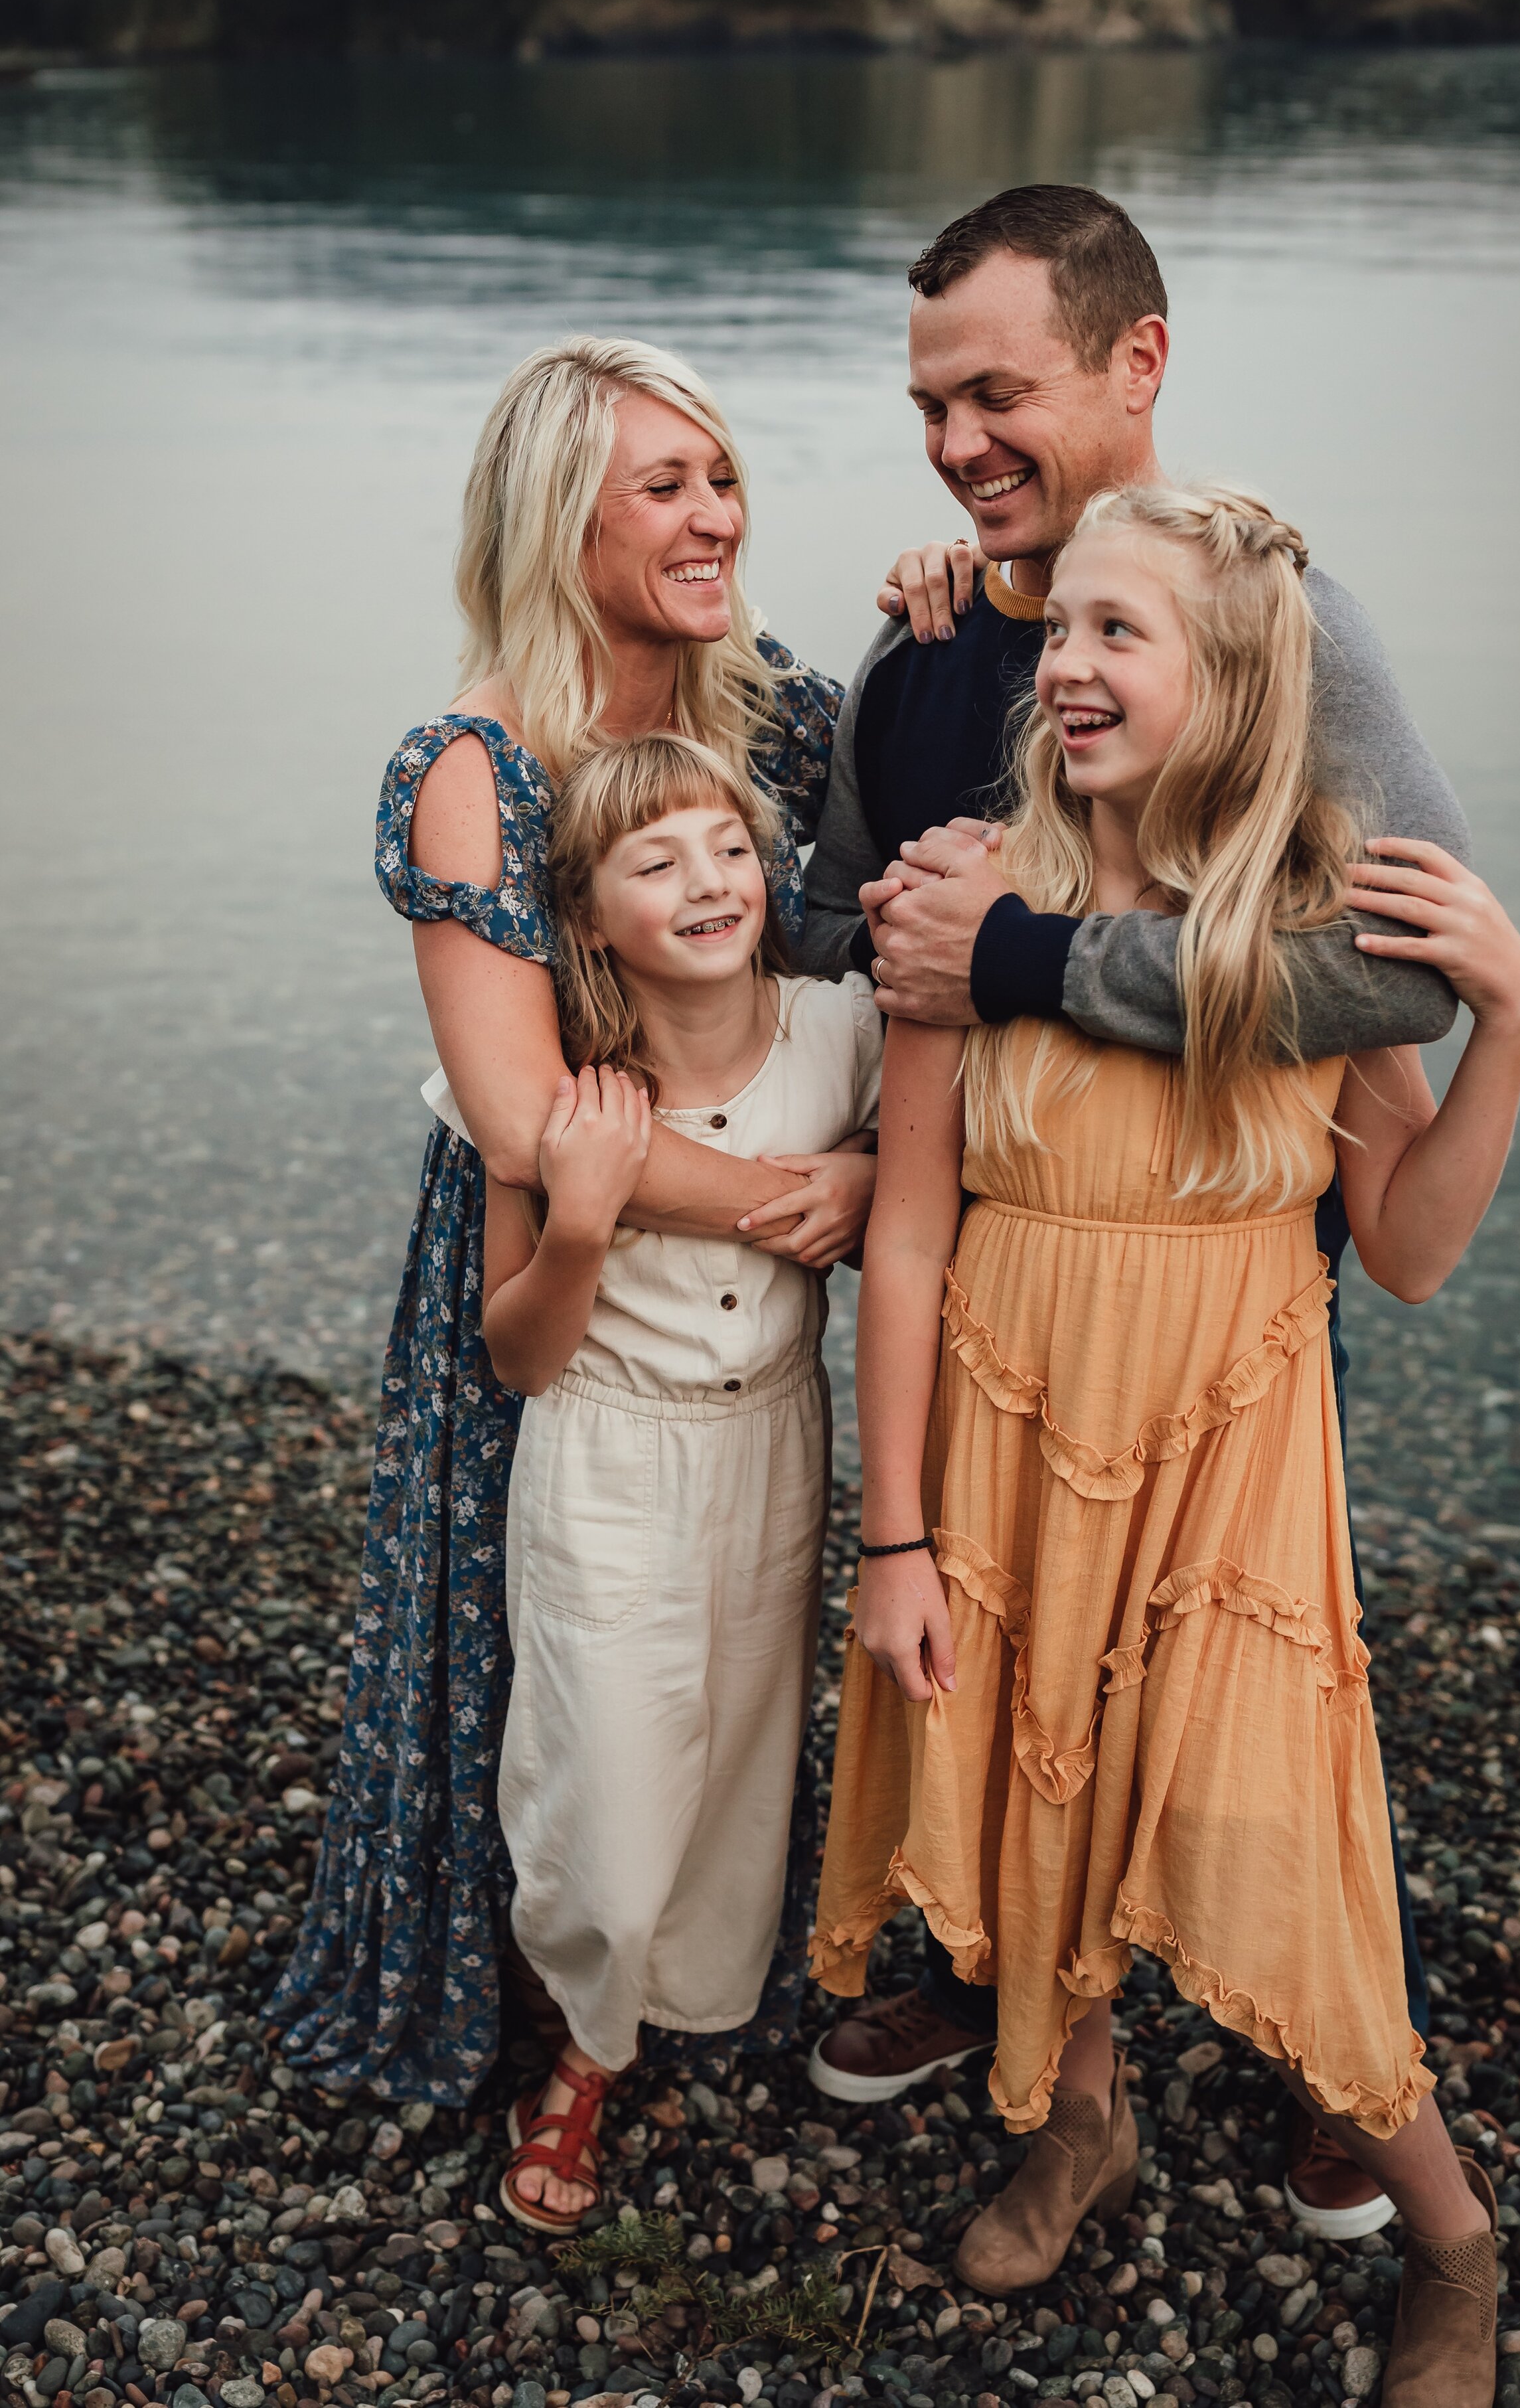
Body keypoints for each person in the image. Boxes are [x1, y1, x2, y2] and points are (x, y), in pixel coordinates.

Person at [813, 485, 1520, 2402]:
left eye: (1120, 634)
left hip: (1230, 1475)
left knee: (1259, 1833)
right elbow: (901, 1235)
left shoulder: (1301, 945)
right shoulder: (963, 894)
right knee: (1032, 1799)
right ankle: (1078, 2119)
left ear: (1232, 687)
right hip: (1005, 1444)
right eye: (1062, 634)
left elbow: (1404, 1248)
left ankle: (1454, 2246)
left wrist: (1514, 1027)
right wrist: (892, 1540)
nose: (1063, 662)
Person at [800, 181, 1455, 2240]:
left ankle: (1325, 2053)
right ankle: (1029, 2023)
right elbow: (856, 926)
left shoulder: (1277, 614)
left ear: (1133, 363)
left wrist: (1020, 967)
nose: (959, 439)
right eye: (931, 402)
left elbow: (1393, 971)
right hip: (1006, 1294)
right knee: (1025, 1699)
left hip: (1225, 1303)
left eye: (999, 390)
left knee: (1243, 1729)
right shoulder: (936, 641)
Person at [266, 334, 956, 2101]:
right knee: (541, 1639)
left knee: (714, 1662)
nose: (715, 514)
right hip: (553, 1239)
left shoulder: (777, 711)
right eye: (666, 485)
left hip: (758, 1267)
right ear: (559, 514)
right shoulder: (474, 764)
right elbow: (514, 1110)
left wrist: (975, 596)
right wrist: (810, 1200)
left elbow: (930, 823)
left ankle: (692, 1967)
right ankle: (531, 1984)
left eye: (719, 476)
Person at [473, 731, 883, 2232]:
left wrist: (865, 1170)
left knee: (738, 1745)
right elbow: (516, 1356)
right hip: (603, 1448)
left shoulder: (844, 1037)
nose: (708, 883)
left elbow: (939, 1155)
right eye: (656, 863)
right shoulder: (567, 1098)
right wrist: (580, 1227)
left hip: (773, 1439)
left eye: (727, 848)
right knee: (607, 1755)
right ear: (589, 918)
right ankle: (583, 2039)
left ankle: (691, 2001)